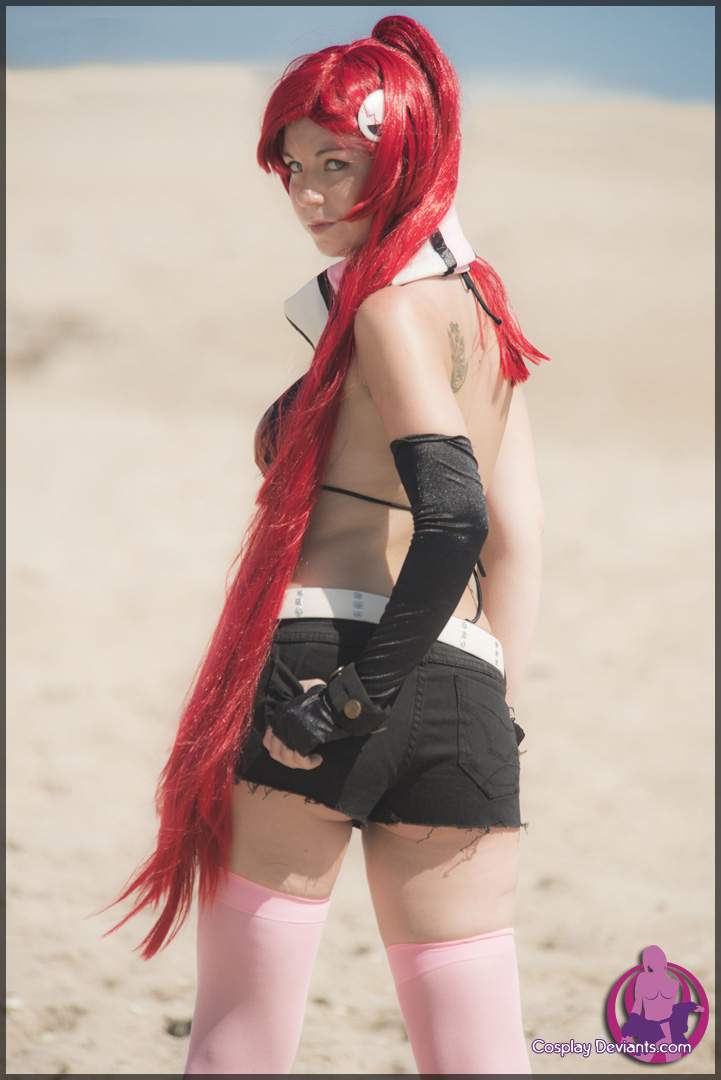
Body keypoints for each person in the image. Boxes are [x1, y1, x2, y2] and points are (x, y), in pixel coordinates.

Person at [94, 13, 550, 1075]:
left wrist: (353, 700)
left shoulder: (385, 309)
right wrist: (492, 706)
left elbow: (456, 519)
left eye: (335, 164)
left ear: (405, 154)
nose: (306, 196)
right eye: (293, 168)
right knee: (479, 1055)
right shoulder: (490, 328)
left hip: (326, 670)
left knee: (239, 1043)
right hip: (465, 689)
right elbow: (519, 542)